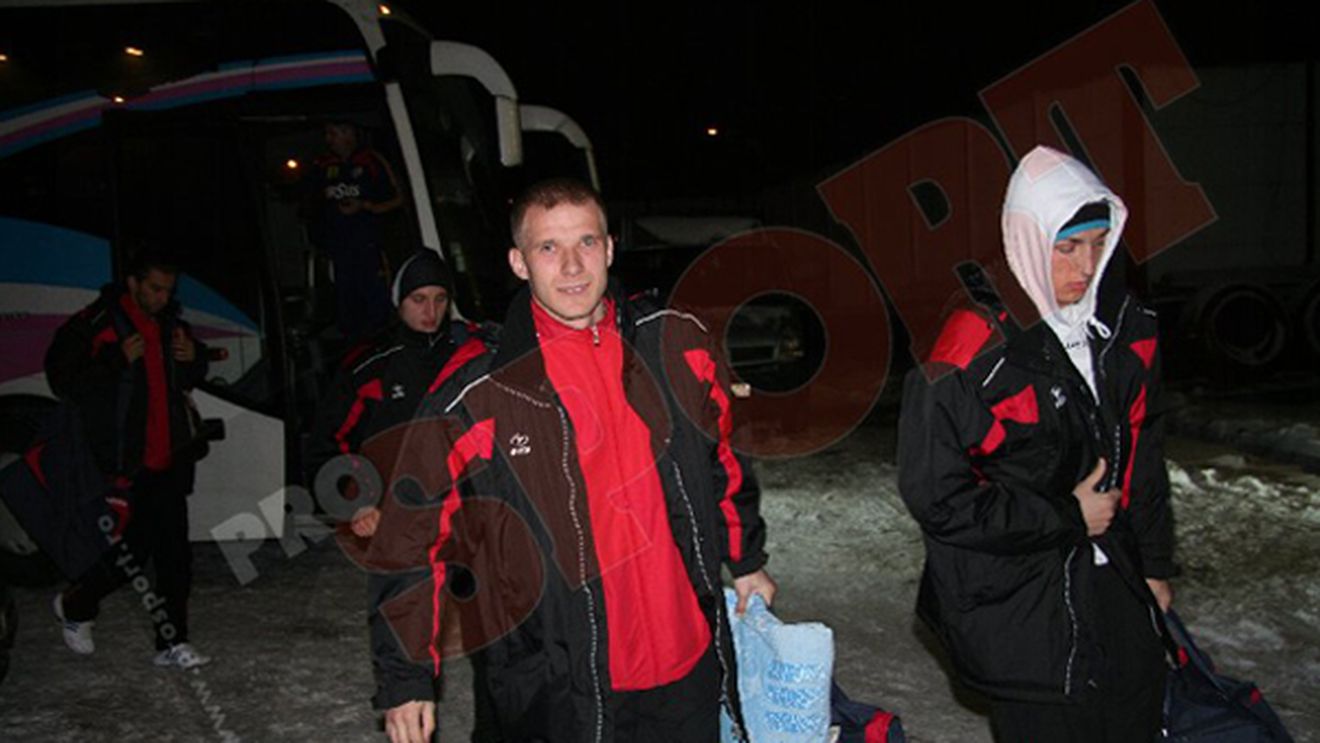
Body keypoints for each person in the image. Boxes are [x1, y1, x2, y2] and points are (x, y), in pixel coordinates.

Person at [374, 178, 776, 743]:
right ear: (518, 262)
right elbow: (409, 537)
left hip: (686, 667)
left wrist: (747, 557)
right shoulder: (479, 395)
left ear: (610, 248)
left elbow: (724, 462)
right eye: (547, 248)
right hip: (560, 682)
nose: (570, 266)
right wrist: (405, 676)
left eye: (585, 243)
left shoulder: (676, 345)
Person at [898, 145, 1175, 742]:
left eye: (1100, 243)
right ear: (1028, 239)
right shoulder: (971, 351)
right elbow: (937, 496)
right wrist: (1067, 516)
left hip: (1117, 581)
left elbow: (1144, 452)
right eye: (1067, 246)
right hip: (1022, 604)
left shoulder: (1126, 329)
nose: (1086, 264)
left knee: (1135, 717)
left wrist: (1153, 563)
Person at [308, 249, 500, 742]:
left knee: (495, 644)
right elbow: (327, 446)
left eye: (439, 299)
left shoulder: (476, 353)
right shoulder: (373, 367)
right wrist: (356, 503)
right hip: (407, 530)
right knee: (411, 638)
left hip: (473, 521)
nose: (430, 311)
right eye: (418, 299)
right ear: (399, 302)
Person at [45, 249, 211, 669]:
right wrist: (115, 359)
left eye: (167, 290)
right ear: (133, 284)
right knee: (134, 555)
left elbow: (189, 374)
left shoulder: (171, 321)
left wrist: (196, 358)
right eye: (154, 288)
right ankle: (77, 604)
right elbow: (62, 379)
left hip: (169, 458)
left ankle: (172, 643)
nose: (161, 297)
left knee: (173, 555)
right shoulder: (97, 323)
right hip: (126, 463)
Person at [311, 120, 403, 339]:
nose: (329, 139)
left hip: (370, 246)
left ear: (349, 133)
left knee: (375, 300)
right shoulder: (322, 165)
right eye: (327, 134)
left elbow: (399, 199)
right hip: (338, 248)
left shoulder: (372, 161)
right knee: (345, 302)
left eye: (333, 132)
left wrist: (365, 206)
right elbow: (310, 204)